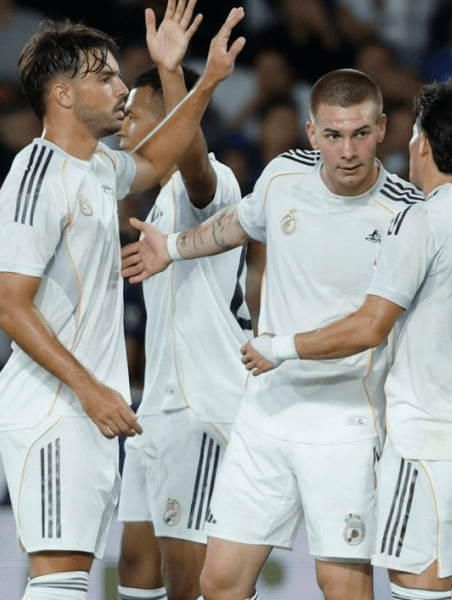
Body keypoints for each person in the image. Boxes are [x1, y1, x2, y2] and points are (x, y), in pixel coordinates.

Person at [238, 82, 452, 600]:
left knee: (419, 593)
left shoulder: (419, 219)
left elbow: (369, 326)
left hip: (425, 443)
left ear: (422, 145)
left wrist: (279, 347)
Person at [121, 68, 423, 600]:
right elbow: (234, 224)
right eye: (332, 135)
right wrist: (170, 248)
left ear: (382, 130)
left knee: (340, 584)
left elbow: (376, 327)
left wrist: (282, 348)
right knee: (219, 582)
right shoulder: (283, 176)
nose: (347, 150)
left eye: (359, 134)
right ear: (311, 133)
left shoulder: (407, 211)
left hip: (345, 420)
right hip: (266, 412)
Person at [0, 4, 245, 599]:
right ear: (62, 94)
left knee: (75, 578)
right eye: (104, 78)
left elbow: (162, 157)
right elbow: (9, 304)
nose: (118, 89)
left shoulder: (98, 169)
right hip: (59, 408)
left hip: (96, 412)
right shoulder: (35, 173)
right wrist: (90, 390)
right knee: (58, 581)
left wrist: (201, 78)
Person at [114, 3, 250, 600]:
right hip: (158, 410)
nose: (120, 125)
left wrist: (174, 74)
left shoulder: (212, 185)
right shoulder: (153, 199)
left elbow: (189, 153)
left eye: (132, 115)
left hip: (201, 409)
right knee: (135, 572)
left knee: (185, 586)